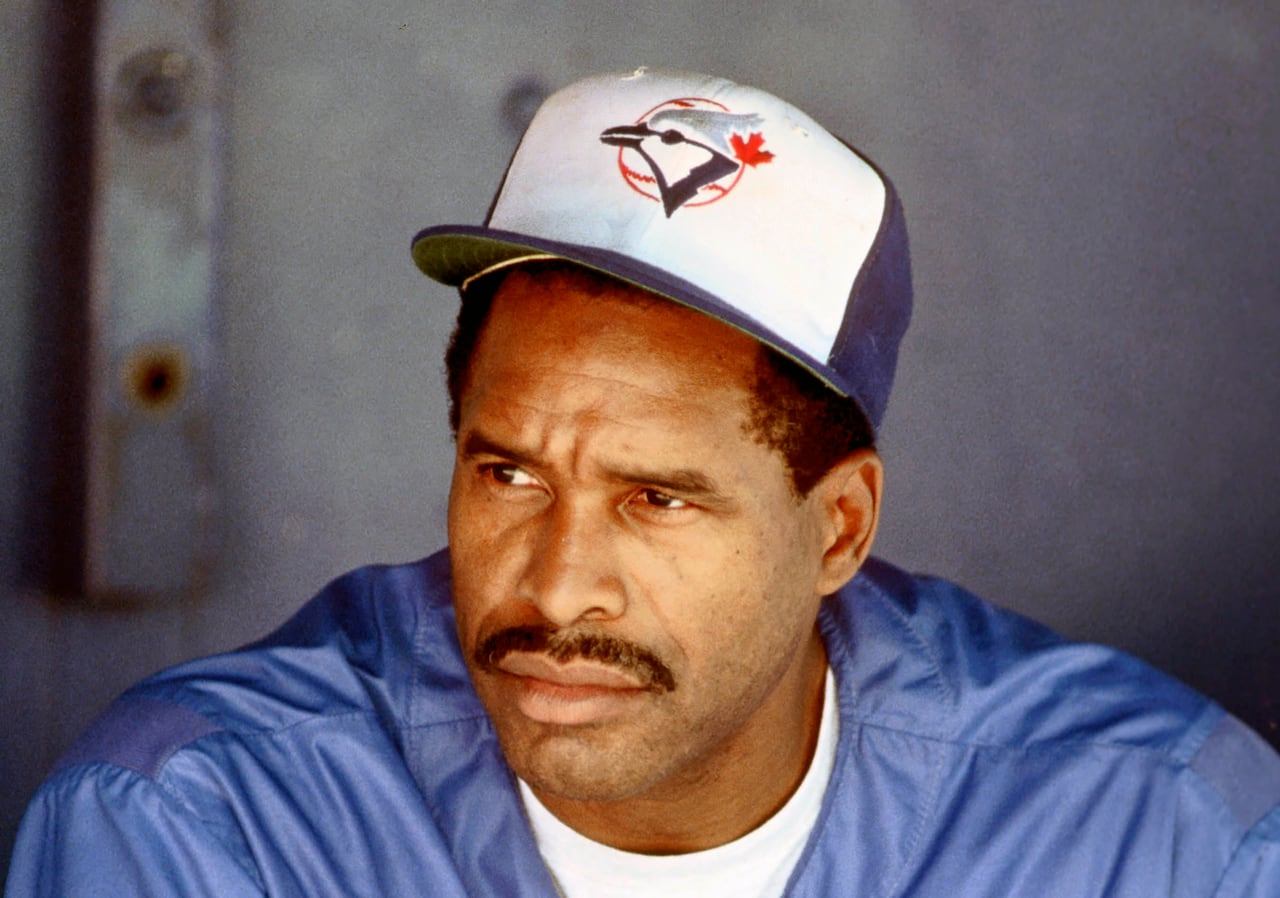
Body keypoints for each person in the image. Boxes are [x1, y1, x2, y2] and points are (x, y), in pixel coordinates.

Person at [6, 68, 1279, 898]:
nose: (555, 585)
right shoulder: (205, 826)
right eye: (507, 471)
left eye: (656, 497)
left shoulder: (1156, 837)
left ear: (836, 528)